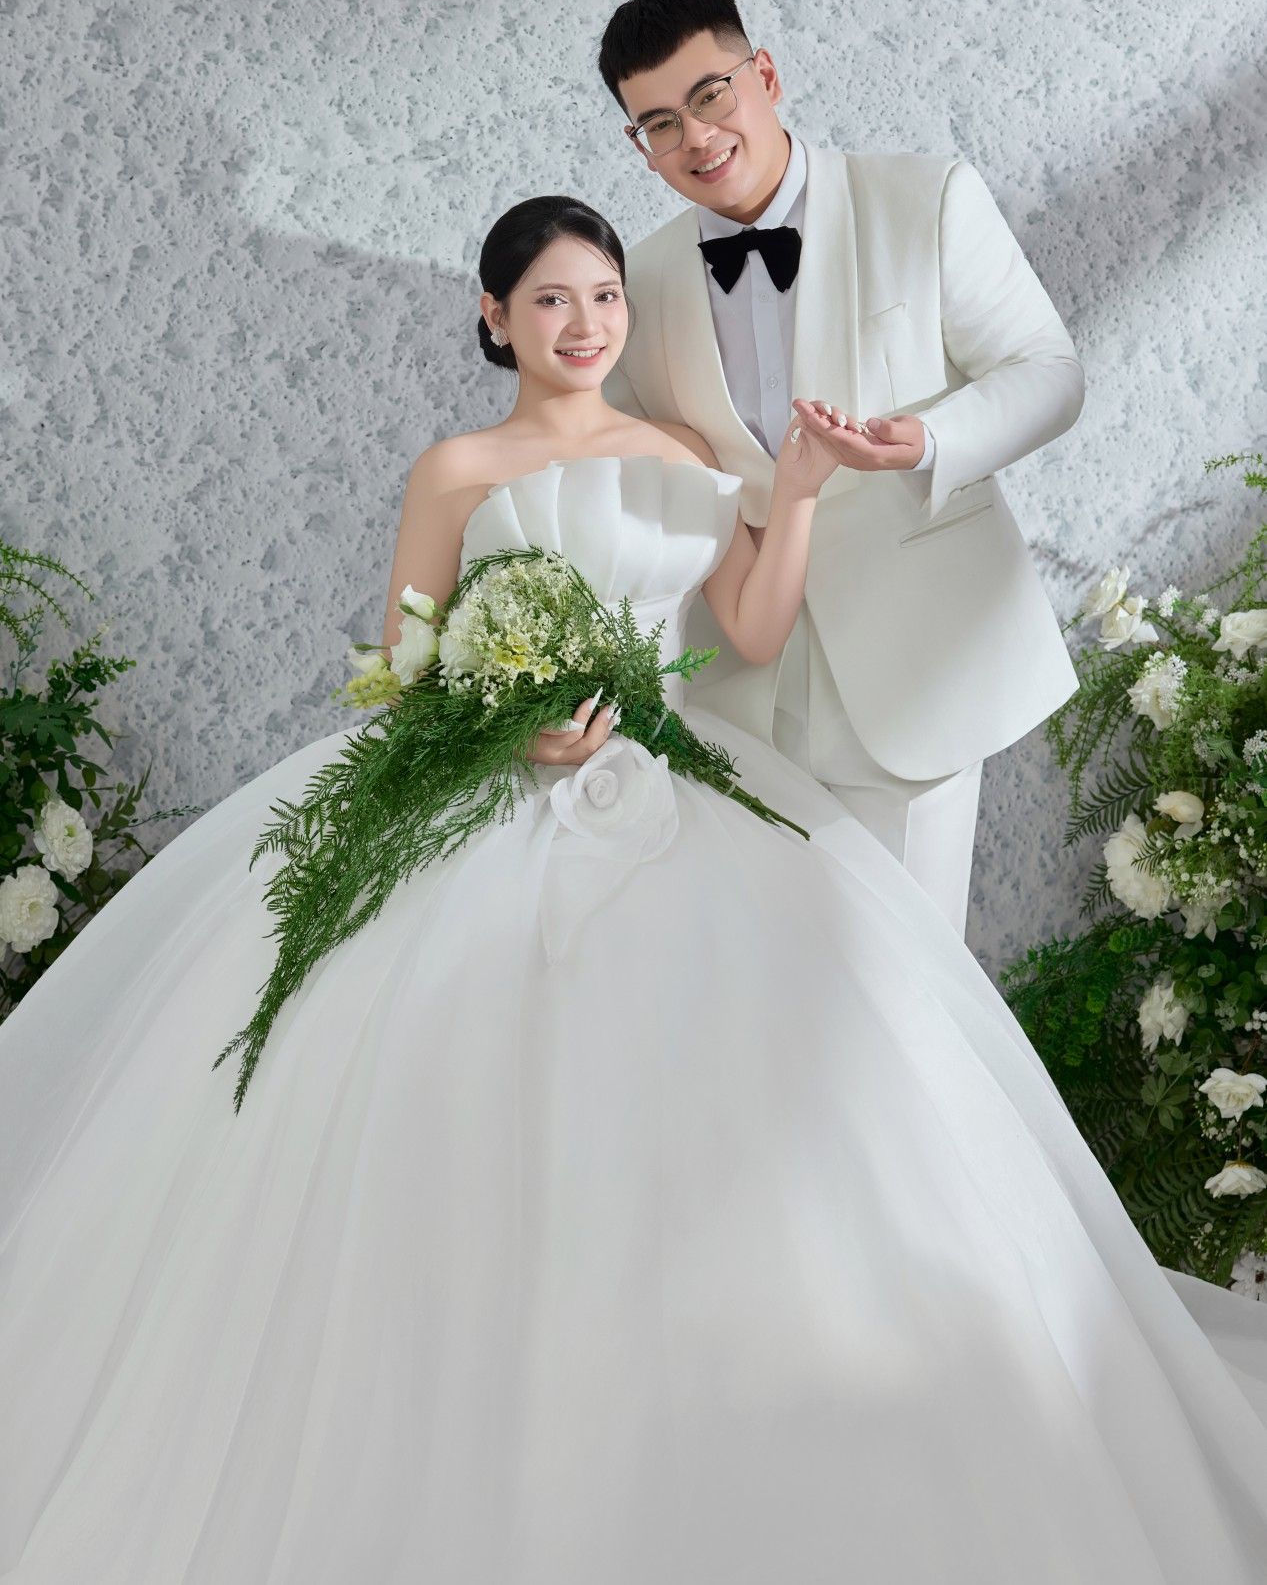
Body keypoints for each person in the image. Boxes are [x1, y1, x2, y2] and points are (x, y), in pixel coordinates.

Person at [1, 197, 1266, 1585]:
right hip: (489, 805)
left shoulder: (678, 455)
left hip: (680, 794)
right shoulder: (457, 469)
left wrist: (792, 493)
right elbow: (399, 671)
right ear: (494, 317)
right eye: (551, 300)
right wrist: (503, 719)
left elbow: (753, 628)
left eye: (604, 296)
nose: (586, 323)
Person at [598, 0, 1084, 939]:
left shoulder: (922, 197)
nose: (696, 137)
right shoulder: (631, 285)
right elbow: (626, 479)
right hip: (735, 700)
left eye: (710, 95)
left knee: (912, 982)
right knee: (774, 984)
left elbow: (1048, 373)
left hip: (918, 665)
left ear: (765, 75)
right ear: (639, 144)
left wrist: (930, 441)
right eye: (659, 124)